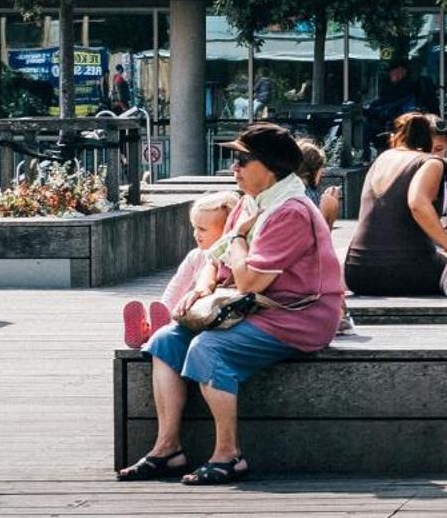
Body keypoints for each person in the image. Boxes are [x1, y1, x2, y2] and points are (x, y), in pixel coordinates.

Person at [120, 123, 344, 485]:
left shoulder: (290, 211)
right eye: (234, 159)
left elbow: (250, 279)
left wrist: (238, 237)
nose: (233, 168)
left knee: (209, 348)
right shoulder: (249, 201)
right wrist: (201, 288)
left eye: (242, 160)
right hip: (250, 306)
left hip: (297, 314)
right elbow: (214, 257)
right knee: (164, 341)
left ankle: (228, 455)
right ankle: (167, 448)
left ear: (269, 167)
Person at [343, 110, 447, 296]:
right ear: (429, 142)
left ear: (395, 138)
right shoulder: (431, 163)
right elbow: (418, 203)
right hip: (408, 270)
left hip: (357, 271)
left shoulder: (382, 159)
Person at [120, 191, 235, 348]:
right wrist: (164, 309)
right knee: (174, 312)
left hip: (205, 315)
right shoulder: (195, 256)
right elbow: (177, 286)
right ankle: (150, 329)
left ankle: (154, 329)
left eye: (202, 229)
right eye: (194, 228)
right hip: (183, 311)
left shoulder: (229, 257)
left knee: (180, 319)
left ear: (226, 231)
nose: (196, 234)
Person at [297, 140, 344, 228]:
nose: (322, 173)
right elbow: (318, 234)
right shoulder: (307, 194)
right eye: (321, 168)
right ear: (313, 169)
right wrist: (329, 210)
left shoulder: (288, 190)